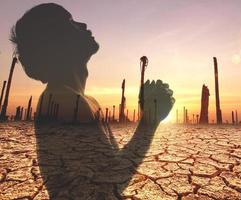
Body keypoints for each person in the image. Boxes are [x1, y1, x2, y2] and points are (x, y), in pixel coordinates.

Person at [11, 3, 175, 198]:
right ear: (57, 43)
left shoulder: (87, 100)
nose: (83, 24)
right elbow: (108, 183)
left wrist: (150, 115)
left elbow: (113, 166)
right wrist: (150, 120)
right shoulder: (63, 101)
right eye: (70, 22)